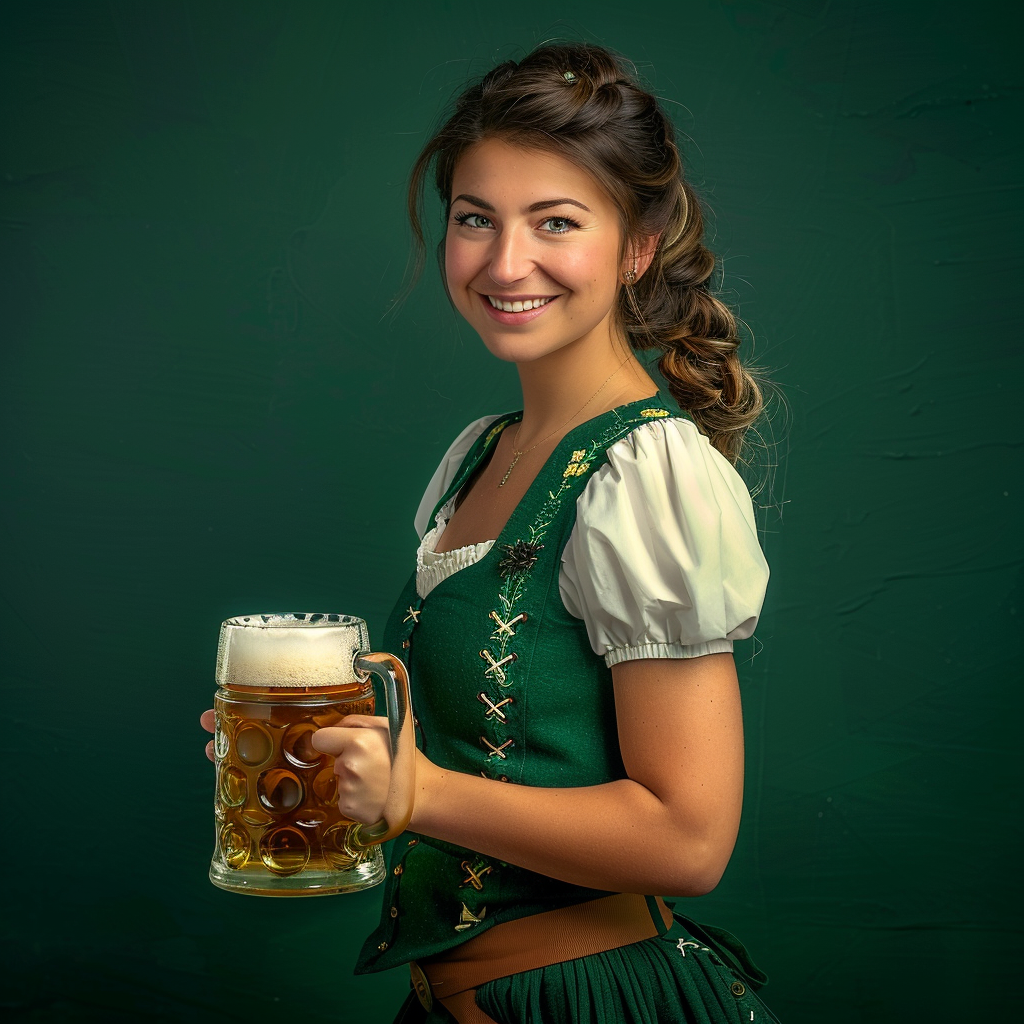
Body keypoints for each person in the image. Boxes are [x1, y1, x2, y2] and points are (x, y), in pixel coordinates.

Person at [204, 40, 778, 1024]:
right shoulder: (483, 451)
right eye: (476, 220)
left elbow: (690, 841)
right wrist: (330, 767)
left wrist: (414, 791)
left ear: (639, 242)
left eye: (555, 221)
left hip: (583, 999)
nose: (505, 263)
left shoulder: (651, 473)